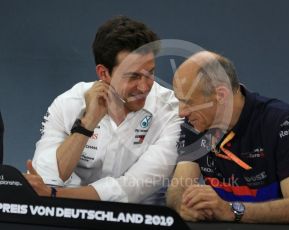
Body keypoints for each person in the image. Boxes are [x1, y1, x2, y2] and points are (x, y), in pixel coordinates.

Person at [24, 16, 182, 204]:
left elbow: (134, 188)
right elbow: (47, 177)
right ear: (103, 73)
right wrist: (87, 124)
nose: (144, 87)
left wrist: (55, 194)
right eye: (133, 76)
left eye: (150, 73)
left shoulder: (172, 111)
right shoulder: (68, 104)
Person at [166, 51, 289, 224]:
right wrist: (182, 205)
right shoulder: (194, 125)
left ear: (221, 95)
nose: (181, 112)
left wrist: (231, 210)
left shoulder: (279, 120)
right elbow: (178, 188)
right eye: (178, 100)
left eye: (188, 102)